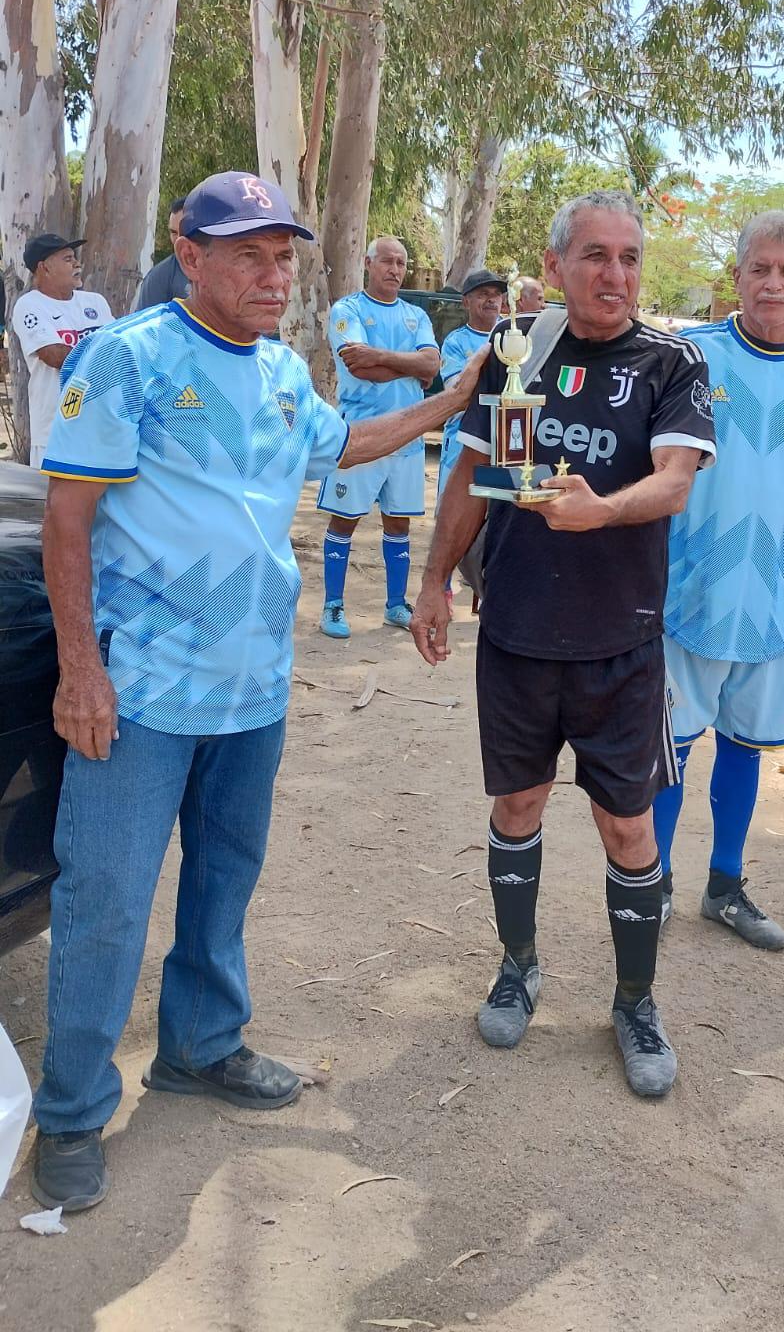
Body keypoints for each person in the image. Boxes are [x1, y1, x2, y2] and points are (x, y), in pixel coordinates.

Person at [29, 172, 487, 1214]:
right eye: (248, 253)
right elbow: (68, 521)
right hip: (138, 694)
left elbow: (342, 444)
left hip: (251, 692)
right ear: (187, 254)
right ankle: (69, 1113)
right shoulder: (127, 359)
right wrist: (80, 670)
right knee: (104, 903)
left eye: (284, 255)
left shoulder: (284, 372)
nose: (274, 274)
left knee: (223, 883)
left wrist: (452, 401)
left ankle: (199, 1047)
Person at [410, 191, 715, 1098]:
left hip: (622, 645)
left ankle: (634, 1000)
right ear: (555, 267)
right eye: (593, 256)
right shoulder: (514, 352)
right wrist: (433, 579)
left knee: (627, 826)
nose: (613, 275)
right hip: (514, 635)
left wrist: (598, 511)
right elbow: (473, 470)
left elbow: (672, 485)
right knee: (517, 811)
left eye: (628, 258)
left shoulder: (671, 360)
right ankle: (518, 967)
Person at [653, 214, 784, 950]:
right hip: (689, 592)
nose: (773, 283)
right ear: (736, 278)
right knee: (670, 746)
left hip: (770, 602)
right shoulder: (689, 356)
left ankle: (725, 884)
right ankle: (656, 883)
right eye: (759, 269)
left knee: (746, 742)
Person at [317, 237, 439, 637]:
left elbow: (432, 365)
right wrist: (409, 366)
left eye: (402, 263)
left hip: (408, 436)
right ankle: (333, 606)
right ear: (368, 263)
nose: (395, 269)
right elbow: (358, 366)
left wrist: (381, 357)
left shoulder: (416, 315)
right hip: (361, 435)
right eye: (387, 260)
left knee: (398, 523)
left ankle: (395, 605)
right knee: (344, 520)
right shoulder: (347, 309)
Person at [11, 234, 112, 468]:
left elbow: (121, 348)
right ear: (44, 268)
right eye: (68, 259)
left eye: (75, 258)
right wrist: (104, 354)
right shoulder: (29, 305)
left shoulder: (95, 302)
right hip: (54, 431)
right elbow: (54, 356)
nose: (77, 264)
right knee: (53, 503)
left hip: (100, 426)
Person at [436, 268, 508, 500]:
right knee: (454, 513)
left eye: (496, 294)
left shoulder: (514, 335)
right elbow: (457, 393)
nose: (491, 299)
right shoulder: (455, 342)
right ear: (466, 302)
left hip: (505, 441)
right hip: (462, 439)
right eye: (483, 294)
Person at [133, 198, 189, 310]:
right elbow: (146, 325)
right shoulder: (159, 277)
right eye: (174, 233)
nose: (178, 240)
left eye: (185, 231)